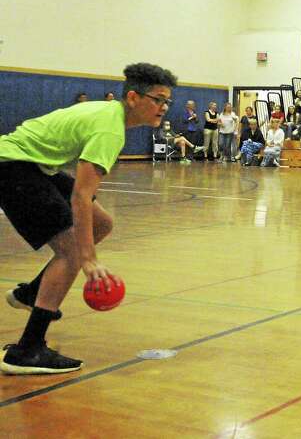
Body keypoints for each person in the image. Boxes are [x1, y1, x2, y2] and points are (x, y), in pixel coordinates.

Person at [0, 63, 176, 375]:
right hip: (12, 165)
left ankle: (31, 293)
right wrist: (89, 258)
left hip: (35, 165)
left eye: (167, 101)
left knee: (102, 223)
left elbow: (83, 201)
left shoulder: (110, 116)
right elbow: (81, 195)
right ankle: (28, 350)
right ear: (133, 97)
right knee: (72, 252)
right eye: (157, 99)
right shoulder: (109, 128)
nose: (163, 108)